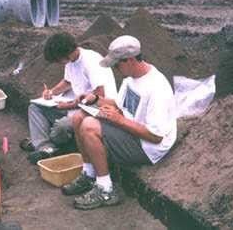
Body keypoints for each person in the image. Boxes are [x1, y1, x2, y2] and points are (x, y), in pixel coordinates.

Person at [62, 35, 177, 210]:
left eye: (117, 64)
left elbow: (156, 137)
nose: (115, 69)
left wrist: (118, 119)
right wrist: (94, 99)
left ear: (130, 60)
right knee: (79, 117)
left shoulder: (156, 88)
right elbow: (119, 104)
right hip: (133, 131)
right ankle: (89, 173)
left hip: (147, 147)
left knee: (89, 126)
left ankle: (105, 190)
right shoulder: (131, 77)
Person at [23, 32, 117, 164]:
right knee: (35, 108)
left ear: (64, 54)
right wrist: (52, 92)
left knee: (61, 128)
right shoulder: (71, 60)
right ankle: (46, 147)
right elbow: (68, 81)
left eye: (57, 59)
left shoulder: (91, 61)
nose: (58, 63)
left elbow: (99, 96)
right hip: (76, 106)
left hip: (96, 110)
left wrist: (69, 106)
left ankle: (45, 141)